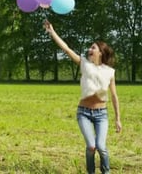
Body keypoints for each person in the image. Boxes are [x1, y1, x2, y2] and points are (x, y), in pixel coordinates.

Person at [43, 20, 121, 174]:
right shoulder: (84, 64)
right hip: (84, 112)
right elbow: (66, 48)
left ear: (101, 52)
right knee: (91, 146)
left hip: (101, 114)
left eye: (93, 47)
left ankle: (107, 172)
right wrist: (52, 32)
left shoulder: (110, 72)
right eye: (90, 47)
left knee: (102, 147)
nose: (89, 49)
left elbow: (114, 95)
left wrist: (118, 118)